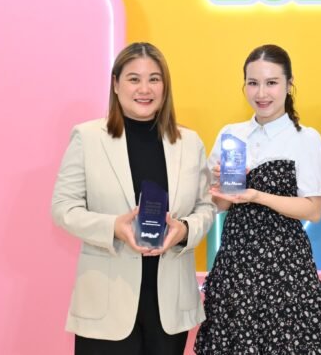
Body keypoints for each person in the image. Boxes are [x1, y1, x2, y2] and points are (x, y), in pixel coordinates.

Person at [51, 42, 215, 355]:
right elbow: (63, 208)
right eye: (133, 79)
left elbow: (205, 207)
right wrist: (114, 227)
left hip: (169, 306)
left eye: (154, 79)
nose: (144, 89)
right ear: (116, 84)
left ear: (165, 86)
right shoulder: (88, 138)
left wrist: (184, 230)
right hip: (106, 303)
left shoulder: (189, 142)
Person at [194, 44, 321, 354]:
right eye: (253, 83)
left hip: (286, 268)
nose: (261, 93)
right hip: (235, 265)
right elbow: (218, 206)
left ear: (289, 84)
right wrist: (220, 189)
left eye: (271, 83)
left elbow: (314, 210)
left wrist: (257, 195)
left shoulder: (305, 138)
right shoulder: (231, 134)